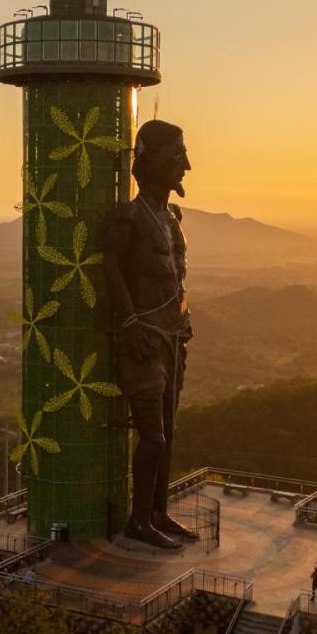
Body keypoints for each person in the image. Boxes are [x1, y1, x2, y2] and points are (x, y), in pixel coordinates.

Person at [105, 120, 195, 549]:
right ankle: (138, 520)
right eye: (177, 157)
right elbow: (112, 268)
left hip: (173, 337)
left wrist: (184, 319)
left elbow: (177, 276)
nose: (187, 166)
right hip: (142, 341)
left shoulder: (171, 217)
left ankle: (158, 512)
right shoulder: (130, 216)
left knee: (169, 433)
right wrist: (128, 321)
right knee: (152, 436)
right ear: (150, 160)